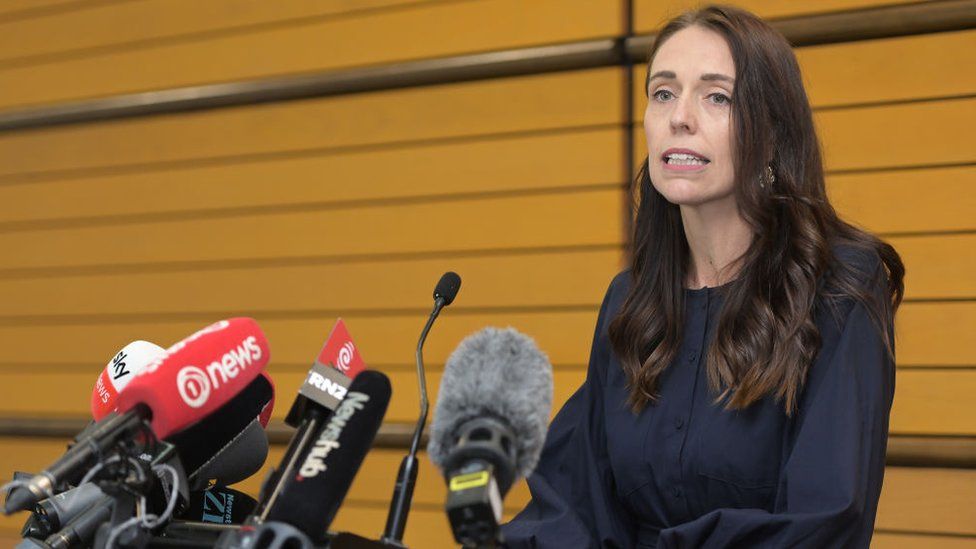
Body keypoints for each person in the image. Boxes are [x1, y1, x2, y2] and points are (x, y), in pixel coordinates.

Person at [501, 5, 905, 548]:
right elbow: (575, 501)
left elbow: (825, 520)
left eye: (717, 97)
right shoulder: (631, 301)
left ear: (772, 132)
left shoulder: (840, 289)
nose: (680, 117)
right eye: (663, 93)